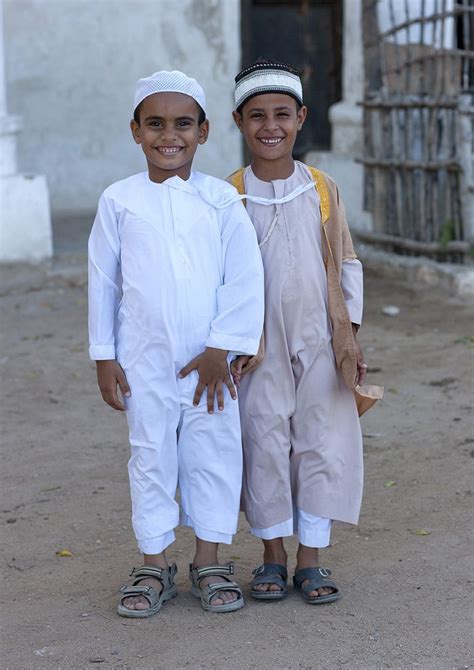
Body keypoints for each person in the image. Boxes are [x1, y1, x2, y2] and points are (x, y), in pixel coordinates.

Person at [88, 70, 264, 617]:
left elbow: (244, 277)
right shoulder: (119, 201)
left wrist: (222, 348)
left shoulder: (221, 201)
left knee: (212, 453)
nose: (171, 136)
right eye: (156, 124)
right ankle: (154, 562)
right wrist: (103, 355)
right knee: (150, 455)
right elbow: (103, 280)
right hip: (143, 360)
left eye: (183, 124)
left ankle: (208, 560)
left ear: (205, 131)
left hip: (210, 364)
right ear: (135, 131)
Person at [228, 60, 381, 605]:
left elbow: (346, 261)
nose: (271, 126)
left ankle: (310, 559)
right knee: (264, 438)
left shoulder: (321, 187)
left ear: (301, 119)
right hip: (257, 345)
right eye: (257, 116)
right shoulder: (228, 195)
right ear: (239, 122)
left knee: (321, 440)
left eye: (282, 115)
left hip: (321, 339)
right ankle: (271, 555)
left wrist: (352, 335)